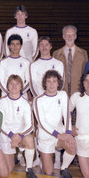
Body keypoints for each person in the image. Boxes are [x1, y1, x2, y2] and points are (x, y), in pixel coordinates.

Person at [33, 70, 76, 178]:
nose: (52, 84)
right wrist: (58, 135)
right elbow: (42, 123)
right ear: (45, 83)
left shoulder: (62, 95)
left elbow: (67, 115)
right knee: (48, 172)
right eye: (49, 81)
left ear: (58, 83)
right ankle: (43, 158)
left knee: (72, 143)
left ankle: (64, 168)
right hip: (46, 137)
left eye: (54, 81)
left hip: (60, 133)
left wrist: (68, 133)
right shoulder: (38, 100)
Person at [29, 36, 64, 169]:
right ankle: (38, 157)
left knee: (56, 127)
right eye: (41, 45)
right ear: (38, 47)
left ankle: (58, 160)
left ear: (50, 46)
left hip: (55, 102)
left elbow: (59, 84)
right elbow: (32, 85)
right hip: (39, 103)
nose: (44, 47)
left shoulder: (58, 64)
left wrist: (53, 99)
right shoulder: (34, 65)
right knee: (39, 129)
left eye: (46, 45)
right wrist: (39, 100)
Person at [0, 75, 36, 178]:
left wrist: (19, 136)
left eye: (17, 84)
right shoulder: (1, 102)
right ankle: (15, 156)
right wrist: (12, 136)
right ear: (7, 86)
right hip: (7, 137)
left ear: (21, 87)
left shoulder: (25, 103)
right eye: (11, 84)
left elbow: (30, 125)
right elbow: (0, 123)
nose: (14, 86)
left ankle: (29, 169)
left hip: (20, 136)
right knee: (8, 170)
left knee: (29, 139)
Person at [53, 25, 88, 97]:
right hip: (61, 90)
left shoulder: (83, 53)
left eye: (72, 35)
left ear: (75, 36)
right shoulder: (56, 54)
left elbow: (86, 73)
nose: (69, 37)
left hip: (78, 90)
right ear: (63, 36)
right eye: (67, 35)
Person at [0, 34, 30, 98]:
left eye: (17, 44)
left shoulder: (26, 62)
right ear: (9, 46)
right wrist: (9, 93)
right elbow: (0, 81)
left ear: (21, 46)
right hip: (6, 96)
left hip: (22, 96)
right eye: (12, 44)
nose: (15, 47)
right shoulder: (3, 62)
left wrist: (20, 92)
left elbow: (29, 81)